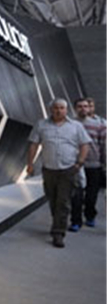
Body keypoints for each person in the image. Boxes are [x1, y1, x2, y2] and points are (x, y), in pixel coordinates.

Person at [26, 98, 91, 248]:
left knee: (63, 201)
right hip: (49, 169)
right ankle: (57, 222)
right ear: (51, 110)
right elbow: (34, 144)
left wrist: (79, 163)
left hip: (68, 169)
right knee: (53, 199)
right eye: (56, 108)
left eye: (62, 108)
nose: (59, 110)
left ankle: (58, 233)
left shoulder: (76, 126)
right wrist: (30, 164)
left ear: (66, 110)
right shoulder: (41, 125)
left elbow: (85, 144)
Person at [71, 98, 105, 229]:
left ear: (89, 108)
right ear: (75, 108)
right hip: (75, 164)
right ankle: (76, 221)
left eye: (85, 106)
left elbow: (104, 145)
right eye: (80, 106)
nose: (83, 109)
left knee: (91, 194)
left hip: (94, 164)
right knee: (76, 194)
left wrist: (104, 163)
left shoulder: (99, 125)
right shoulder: (70, 124)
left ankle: (90, 215)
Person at [86, 97, 107, 190]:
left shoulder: (102, 122)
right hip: (77, 162)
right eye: (86, 106)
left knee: (93, 189)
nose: (88, 109)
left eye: (90, 106)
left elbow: (104, 144)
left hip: (95, 161)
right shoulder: (74, 123)